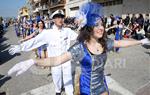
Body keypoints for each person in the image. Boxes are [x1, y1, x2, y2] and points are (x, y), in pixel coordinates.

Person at [9, 10, 78, 95]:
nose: (60, 19)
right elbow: (35, 41)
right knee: (57, 77)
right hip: (54, 61)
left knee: (68, 77)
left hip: (66, 60)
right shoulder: (47, 33)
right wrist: (21, 47)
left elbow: (79, 38)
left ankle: (69, 92)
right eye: (57, 17)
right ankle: (58, 91)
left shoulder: (68, 31)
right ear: (53, 20)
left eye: (62, 17)